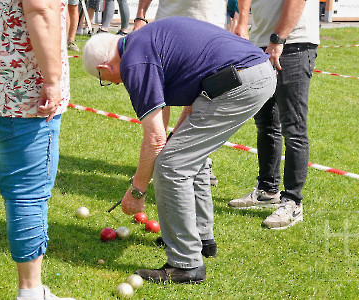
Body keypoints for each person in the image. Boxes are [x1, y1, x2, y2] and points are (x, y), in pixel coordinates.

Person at [82, 16, 276, 283]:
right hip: (249, 73)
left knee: (173, 166)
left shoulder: (134, 62)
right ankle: (201, 238)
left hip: (240, 81)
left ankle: (186, 264)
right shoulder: (143, 43)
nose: (113, 83)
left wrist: (137, 191)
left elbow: (154, 139)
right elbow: (189, 99)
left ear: (105, 66)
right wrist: (176, 138)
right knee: (185, 155)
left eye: (104, 78)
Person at [0, 0, 73, 299]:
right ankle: (31, 293)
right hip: (19, 96)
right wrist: (53, 79)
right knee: (27, 195)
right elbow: (40, 8)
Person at [229, 0, 320, 229]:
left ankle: (293, 202)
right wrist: (242, 22)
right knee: (266, 123)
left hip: (292, 44)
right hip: (262, 44)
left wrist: (278, 38)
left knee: (293, 127)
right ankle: (268, 190)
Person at [133, 0, 228, 188]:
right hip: (167, 24)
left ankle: (196, 160)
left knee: (201, 97)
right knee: (159, 95)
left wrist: (241, 23)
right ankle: (156, 159)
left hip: (209, 24)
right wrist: (140, 16)